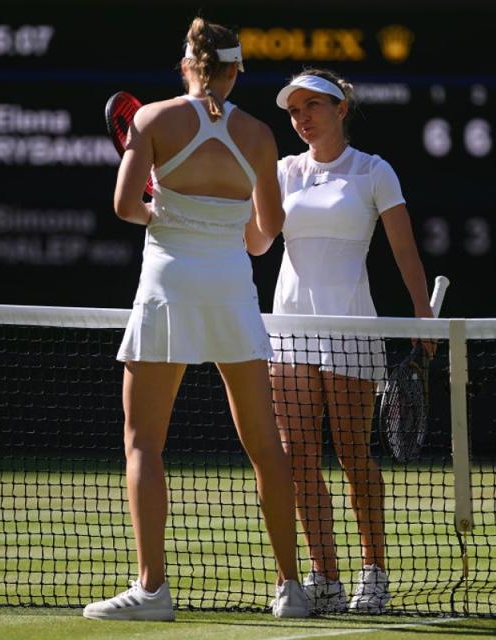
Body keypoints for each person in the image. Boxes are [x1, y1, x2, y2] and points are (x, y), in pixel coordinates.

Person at [81, 17, 308, 621]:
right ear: (235, 72)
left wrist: (167, 211)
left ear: (186, 66)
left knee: (143, 443)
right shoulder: (260, 136)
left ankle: (152, 591)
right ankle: (291, 588)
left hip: (168, 285)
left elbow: (128, 206)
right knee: (266, 446)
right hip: (231, 287)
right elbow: (264, 237)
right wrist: (224, 229)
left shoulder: (152, 121)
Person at [269, 69, 435, 614]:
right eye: (295, 110)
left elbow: (405, 252)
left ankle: (374, 571)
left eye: (313, 106)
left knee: (353, 456)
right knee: (297, 460)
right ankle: (325, 577)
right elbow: (254, 243)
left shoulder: (373, 172)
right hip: (289, 332)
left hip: (351, 331)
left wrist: (420, 316)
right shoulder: (281, 173)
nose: (302, 117)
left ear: (341, 109)